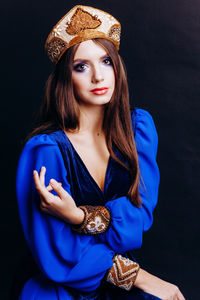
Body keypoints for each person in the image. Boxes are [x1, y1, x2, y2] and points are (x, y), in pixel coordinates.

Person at [16, 5, 185, 300]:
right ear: (64, 77)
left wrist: (79, 216)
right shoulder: (45, 150)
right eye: (81, 66)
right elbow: (57, 249)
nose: (98, 76)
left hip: (119, 282)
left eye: (106, 61)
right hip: (64, 287)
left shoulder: (138, 130)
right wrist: (141, 278)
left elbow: (138, 218)